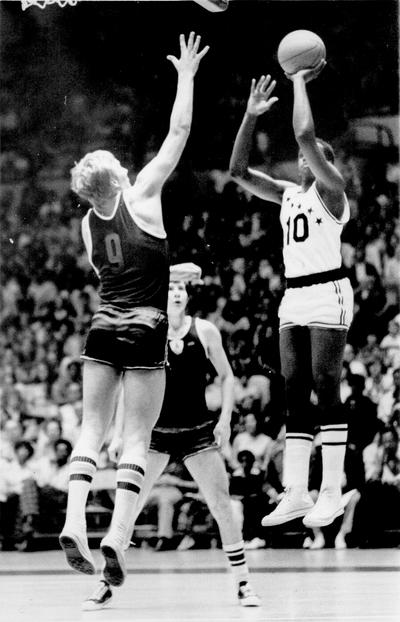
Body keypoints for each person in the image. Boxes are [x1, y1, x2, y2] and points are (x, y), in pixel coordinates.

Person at [59, 33, 209, 587]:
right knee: (136, 438)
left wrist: (175, 270)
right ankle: (116, 537)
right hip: (147, 327)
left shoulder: (87, 224)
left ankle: (75, 519)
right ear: (118, 177)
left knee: (90, 430)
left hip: (104, 324)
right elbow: (179, 133)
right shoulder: (143, 194)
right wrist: (186, 75)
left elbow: (119, 274)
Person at [83, 264, 260, 610]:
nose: (177, 292)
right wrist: (120, 433)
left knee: (221, 504)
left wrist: (224, 420)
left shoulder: (205, 331)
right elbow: (126, 384)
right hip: (155, 433)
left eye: (182, 288)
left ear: (188, 295)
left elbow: (228, 377)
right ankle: (105, 582)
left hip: (197, 433)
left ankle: (243, 583)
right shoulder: (148, 331)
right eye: (171, 287)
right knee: (127, 508)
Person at [229, 65, 354, 529]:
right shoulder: (286, 196)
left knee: (326, 386)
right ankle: (297, 491)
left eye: (316, 157)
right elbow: (237, 171)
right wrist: (249, 114)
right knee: (294, 393)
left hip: (328, 289)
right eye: (305, 158)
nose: (305, 159)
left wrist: (298, 79)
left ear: (327, 163)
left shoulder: (333, 192)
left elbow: (305, 133)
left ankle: (332, 491)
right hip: (294, 296)